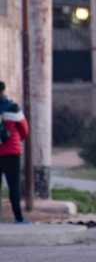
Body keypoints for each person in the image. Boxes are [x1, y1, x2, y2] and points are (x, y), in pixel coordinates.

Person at [0, 81, 29, 224]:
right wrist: (16, 139)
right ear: (3, 91)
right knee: (14, 186)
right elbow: (24, 130)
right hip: (12, 152)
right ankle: (18, 218)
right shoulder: (13, 107)